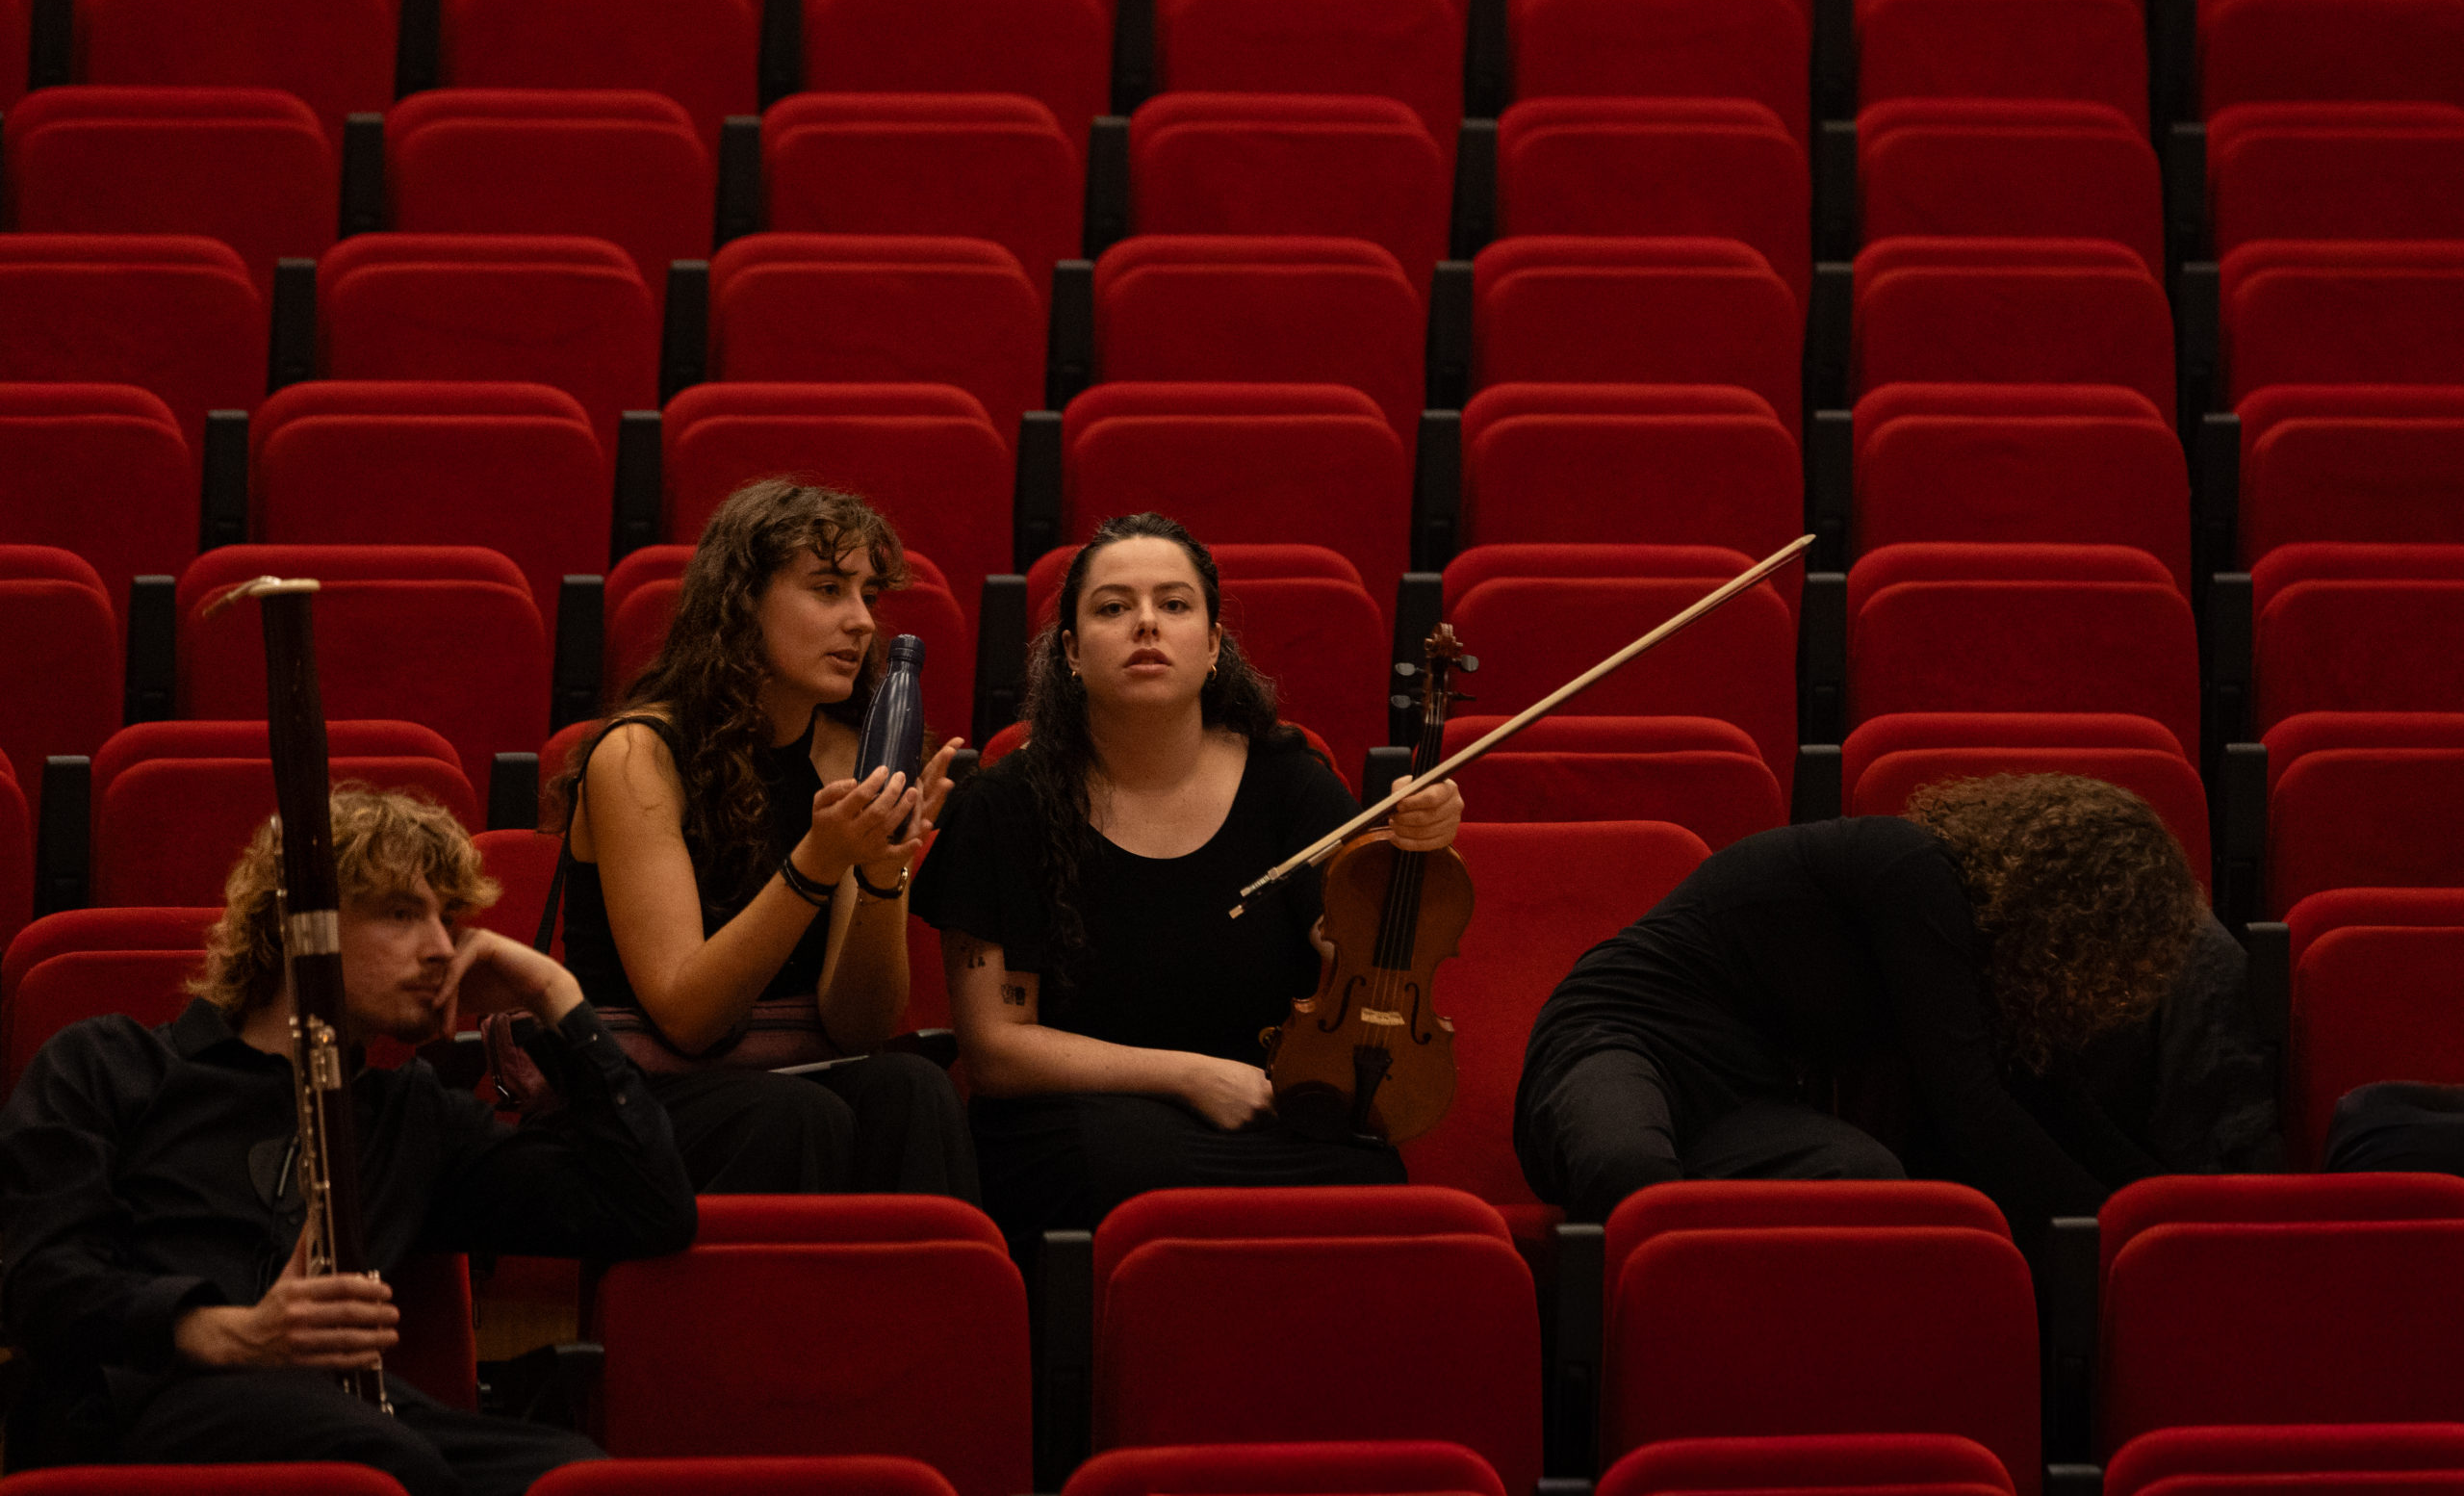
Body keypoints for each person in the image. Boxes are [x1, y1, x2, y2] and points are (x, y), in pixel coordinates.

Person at [0, 786, 699, 1496]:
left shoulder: (411, 1116)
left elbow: (645, 1206)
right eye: (401, 913)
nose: (442, 948)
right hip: (133, 1406)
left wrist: (555, 997)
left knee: (576, 1477)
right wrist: (230, 1331)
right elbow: (38, 1278)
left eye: (447, 919)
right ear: (299, 925)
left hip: (344, 1417)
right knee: (377, 1464)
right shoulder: (106, 1064)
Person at [911, 513, 1465, 1242]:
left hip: (1266, 1108)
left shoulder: (1292, 787)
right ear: (1071, 652)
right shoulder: (1003, 806)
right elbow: (996, 1051)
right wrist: (1189, 1076)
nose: (1146, 623)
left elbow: (1362, 960)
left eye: (1174, 604)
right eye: (1114, 607)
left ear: (1211, 646)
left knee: (1369, 1183)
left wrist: (1416, 853)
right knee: (1128, 1167)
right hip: (1075, 1124)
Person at [1514, 774, 2209, 1248]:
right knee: (1628, 1168)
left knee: (1865, 1180)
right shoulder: (1910, 871)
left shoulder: (1978, 960)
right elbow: (1971, 1109)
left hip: (1739, 1101)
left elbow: (2058, 1106)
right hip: (1620, 1036)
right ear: (2056, 898)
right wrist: (2107, 1239)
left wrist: (2176, 1216)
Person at [558, 478, 977, 1198]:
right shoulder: (638, 754)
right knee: (795, 1116)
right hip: (642, 1093)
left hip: (789, 1076)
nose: (862, 622)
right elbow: (689, 1018)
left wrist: (883, 874)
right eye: (828, 589)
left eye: (868, 595)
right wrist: (817, 861)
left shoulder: (849, 751)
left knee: (914, 1089)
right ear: (743, 601)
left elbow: (858, 1027)